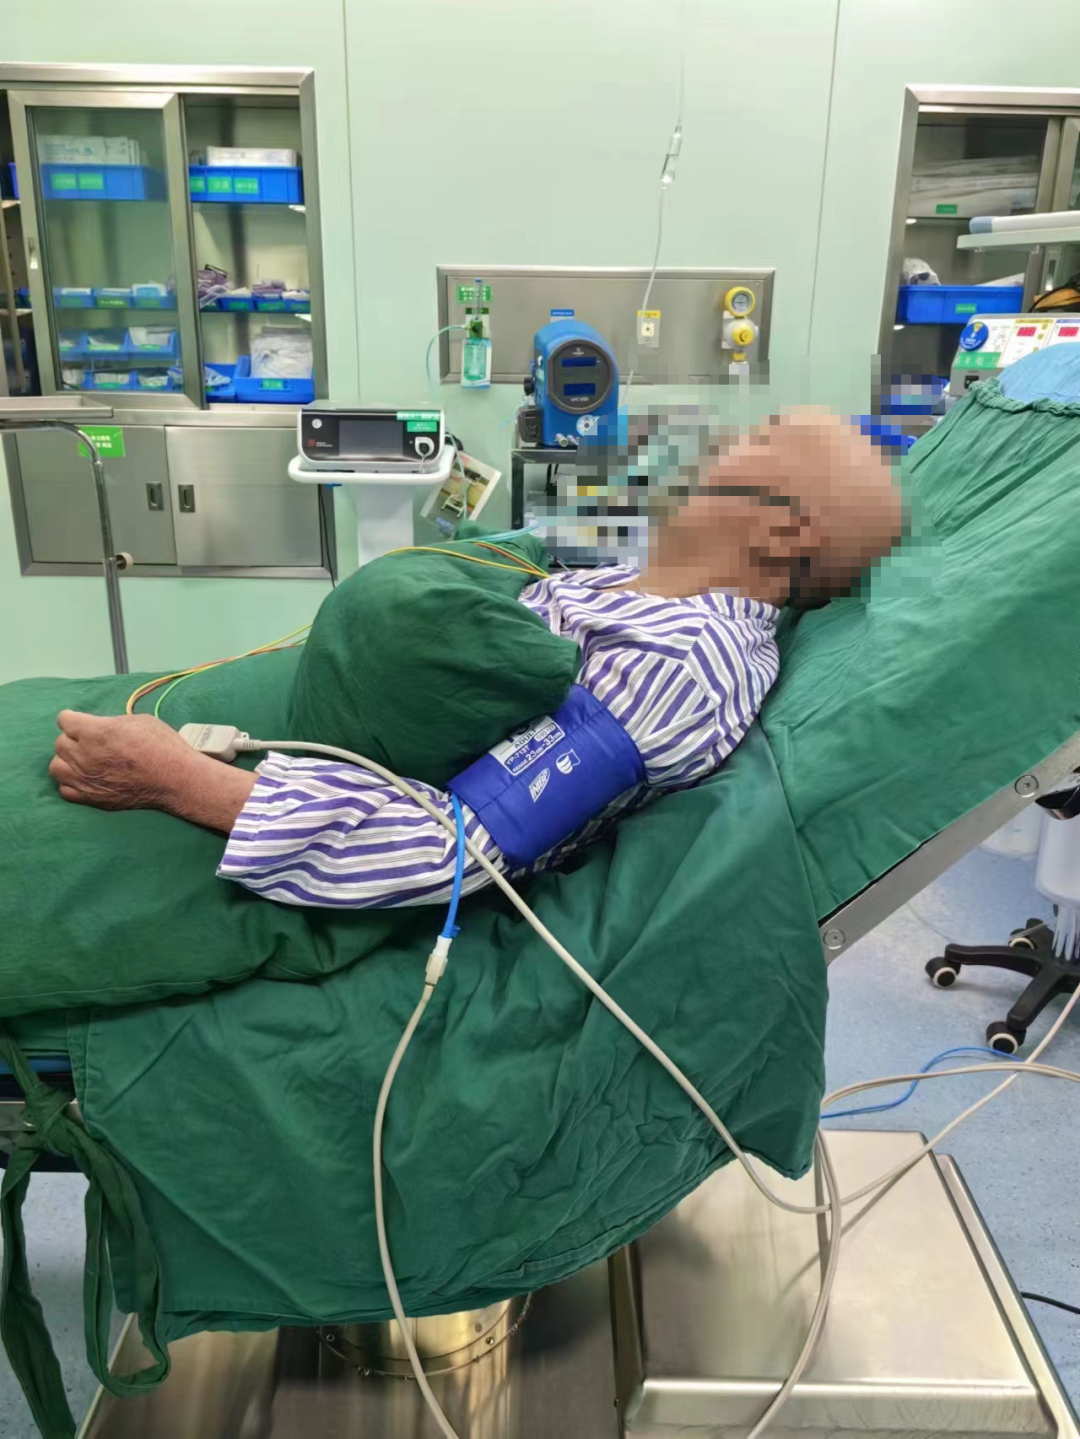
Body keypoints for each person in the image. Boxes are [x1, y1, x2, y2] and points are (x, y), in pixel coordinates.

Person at [49, 411, 904, 909]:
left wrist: (173, 781)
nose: (706, 458)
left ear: (780, 530)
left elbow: (452, 844)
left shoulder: (678, 667)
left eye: (743, 450)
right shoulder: (642, 579)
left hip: (264, 807)